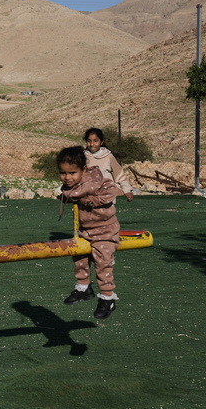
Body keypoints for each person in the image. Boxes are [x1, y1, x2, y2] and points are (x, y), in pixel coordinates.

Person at [57, 146, 121, 319]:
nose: (67, 177)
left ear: (83, 170)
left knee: (103, 262)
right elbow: (68, 193)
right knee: (79, 257)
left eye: (72, 173)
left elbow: (112, 191)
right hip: (86, 230)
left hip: (105, 230)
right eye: (63, 173)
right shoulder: (73, 185)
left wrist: (92, 201)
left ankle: (108, 297)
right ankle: (84, 287)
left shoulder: (95, 180)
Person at [83, 128, 134, 202]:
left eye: (95, 141)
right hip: (90, 196)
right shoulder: (83, 156)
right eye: (89, 141)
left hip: (107, 195)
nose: (92, 144)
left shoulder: (108, 156)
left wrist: (127, 190)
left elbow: (119, 174)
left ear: (101, 142)